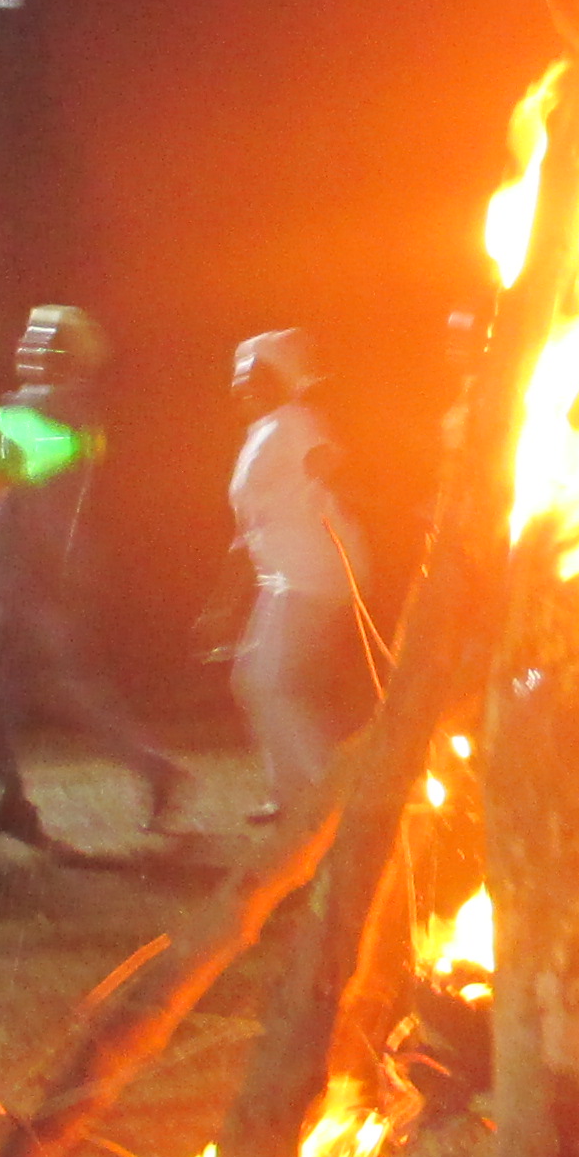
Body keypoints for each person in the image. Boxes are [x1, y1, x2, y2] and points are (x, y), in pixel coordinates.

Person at [0, 304, 184, 843]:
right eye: (31, 337)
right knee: (48, 685)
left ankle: (20, 796)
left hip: (28, 567)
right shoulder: (60, 405)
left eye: (47, 341)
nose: (31, 348)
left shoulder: (46, 405)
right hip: (27, 565)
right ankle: (149, 770)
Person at [221, 327, 363, 822]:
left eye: (254, 376)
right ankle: (290, 795)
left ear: (282, 379)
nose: (241, 385)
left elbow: (333, 464)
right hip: (282, 573)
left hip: (311, 569)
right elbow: (251, 525)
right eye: (238, 377)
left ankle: (334, 801)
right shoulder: (264, 431)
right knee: (256, 680)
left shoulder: (296, 422)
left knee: (276, 682)